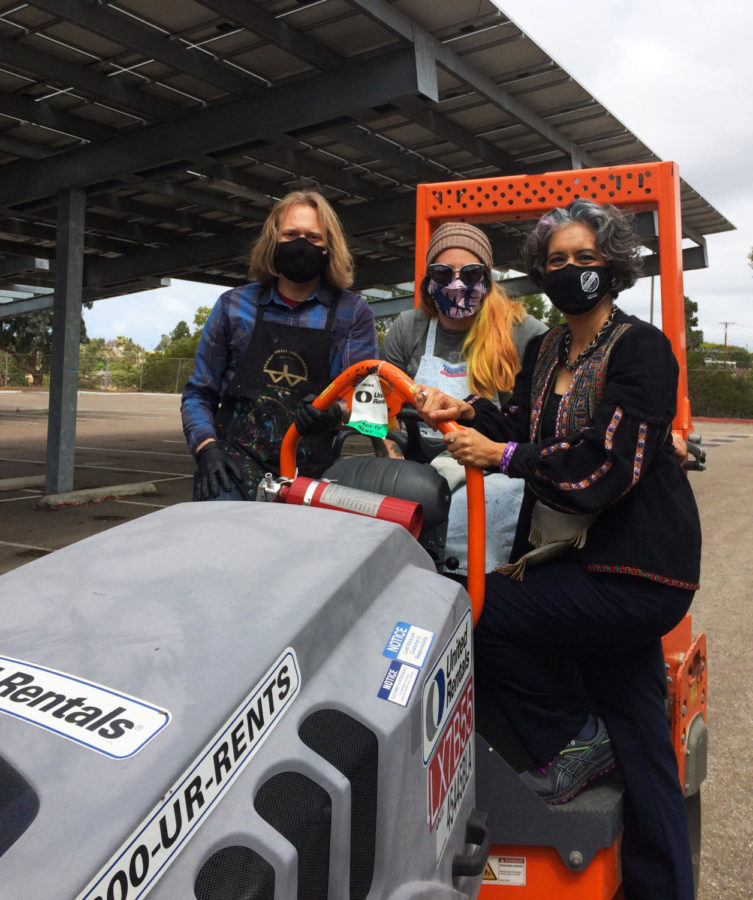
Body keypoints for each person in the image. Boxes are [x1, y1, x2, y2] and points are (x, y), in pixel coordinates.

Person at [414, 200, 701, 900]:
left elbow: (603, 472)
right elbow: (517, 421)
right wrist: (466, 413)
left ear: (612, 266)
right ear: (538, 273)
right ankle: (660, 889)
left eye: (583, 258)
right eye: (555, 261)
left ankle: (570, 747)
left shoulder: (640, 350)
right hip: (581, 562)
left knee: (477, 610)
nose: (569, 271)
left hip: (638, 570)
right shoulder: (545, 352)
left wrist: (501, 453)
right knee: (640, 735)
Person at [181, 191, 378, 500]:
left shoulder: (352, 313)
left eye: (313, 237)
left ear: (329, 247)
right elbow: (199, 394)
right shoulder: (233, 307)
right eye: (291, 235)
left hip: (310, 480)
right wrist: (206, 447)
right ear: (274, 240)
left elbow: (369, 409)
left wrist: (334, 414)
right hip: (232, 469)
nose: (301, 245)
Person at [381, 221, 546, 573]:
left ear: (487, 279)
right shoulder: (408, 328)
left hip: (489, 472)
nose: (457, 284)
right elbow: (381, 408)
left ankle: (475, 590)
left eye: (470, 273)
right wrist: (389, 455)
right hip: (416, 464)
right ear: (428, 281)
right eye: (443, 273)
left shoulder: (522, 332)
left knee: (486, 505)